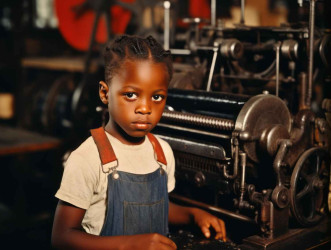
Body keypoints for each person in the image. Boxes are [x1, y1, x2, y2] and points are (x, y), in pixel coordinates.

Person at [51, 35, 226, 249]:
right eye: (131, 94)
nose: (145, 108)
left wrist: (192, 215)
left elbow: (156, 208)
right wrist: (129, 245)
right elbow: (62, 237)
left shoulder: (162, 152)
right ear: (105, 93)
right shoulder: (87, 159)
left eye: (157, 97)